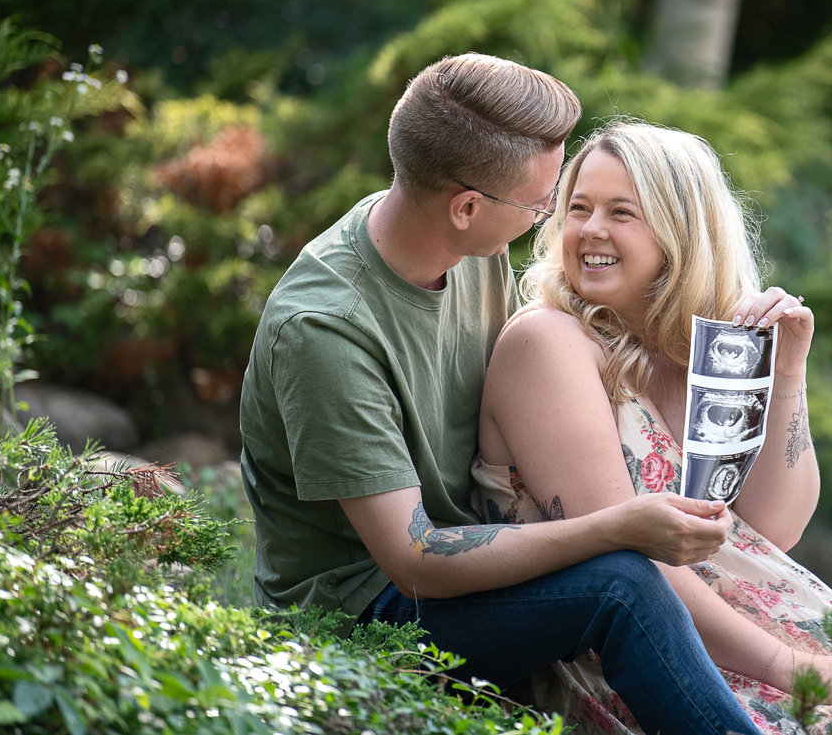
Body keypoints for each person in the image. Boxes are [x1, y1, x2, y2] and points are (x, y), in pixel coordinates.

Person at [238, 54, 763, 735]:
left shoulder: (461, 246)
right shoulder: (326, 329)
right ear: (466, 207)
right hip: (364, 615)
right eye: (543, 203)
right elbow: (414, 558)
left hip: (474, 566)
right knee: (621, 584)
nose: (552, 218)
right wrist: (615, 526)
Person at [475, 119, 832, 735]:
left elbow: (773, 529)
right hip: (646, 654)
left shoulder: (706, 352)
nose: (590, 230)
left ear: (681, 230)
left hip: (756, 623)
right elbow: (626, 566)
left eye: (621, 212)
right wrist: (788, 666)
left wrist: (789, 371)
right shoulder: (548, 342)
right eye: (578, 208)